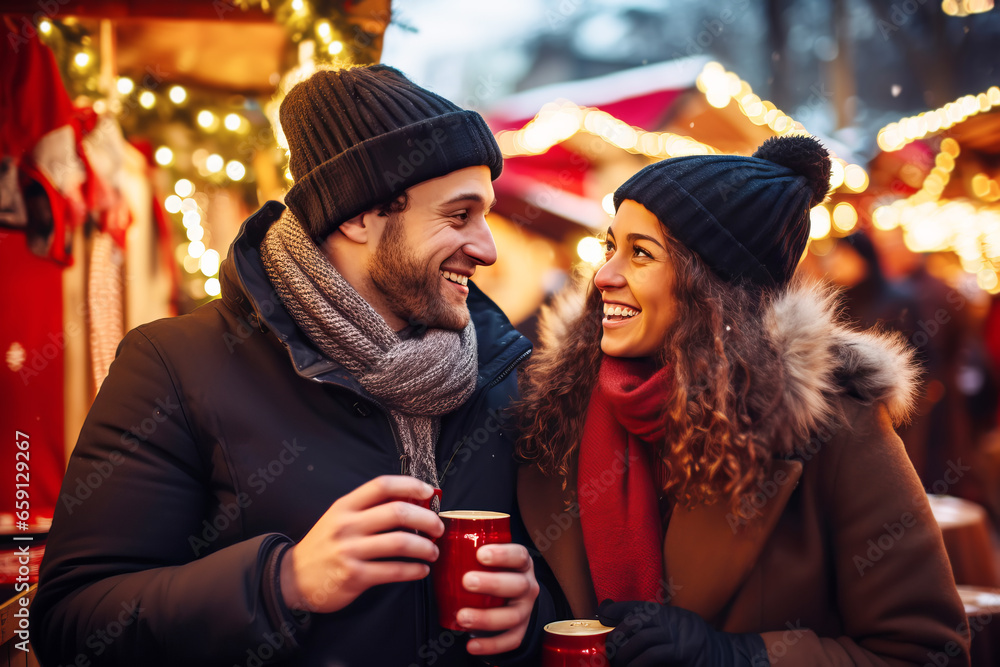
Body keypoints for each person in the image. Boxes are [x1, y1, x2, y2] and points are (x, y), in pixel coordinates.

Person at [32, 65, 551, 666]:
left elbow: (565, 593)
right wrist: (283, 582)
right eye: (459, 216)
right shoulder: (176, 366)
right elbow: (71, 624)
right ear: (358, 216)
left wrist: (530, 615)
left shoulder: (500, 373)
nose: (487, 247)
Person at [515, 135, 970, 666]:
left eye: (640, 254)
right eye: (610, 246)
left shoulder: (833, 427)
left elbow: (928, 651)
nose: (604, 274)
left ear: (710, 284)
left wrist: (738, 658)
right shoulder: (557, 406)